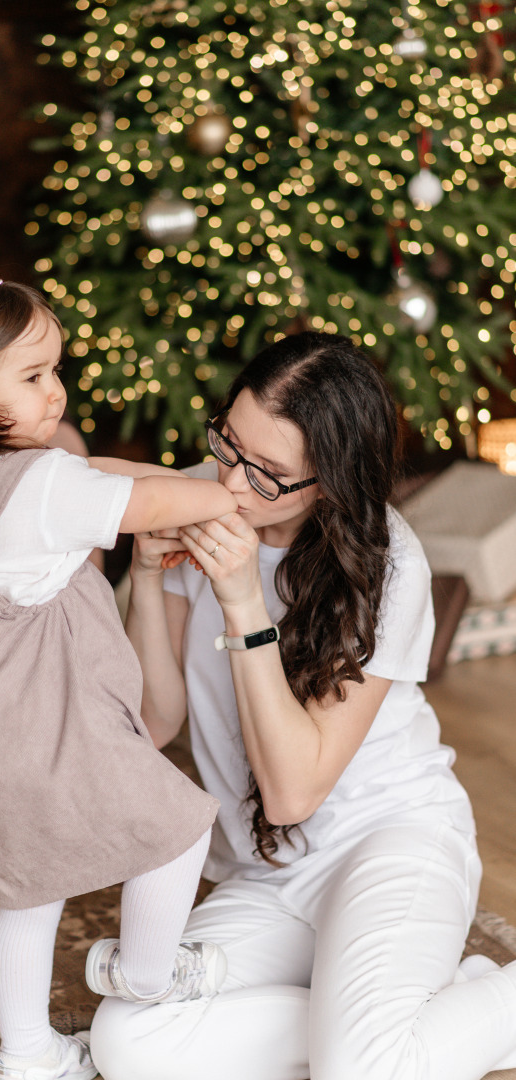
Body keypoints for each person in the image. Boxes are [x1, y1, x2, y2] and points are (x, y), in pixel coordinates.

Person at [90, 330, 516, 1080]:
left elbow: (291, 792)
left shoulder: (389, 563)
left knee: (359, 1072)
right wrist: (150, 579)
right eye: (228, 443)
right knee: (127, 1042)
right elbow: (154, 722)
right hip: (266, 872)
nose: (231, 485)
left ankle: (403, 1027)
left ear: (329, 482)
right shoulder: (205, 490)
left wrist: (243, 600)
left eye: (269, 475)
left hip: (392, 841)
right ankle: (397, 1021)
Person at [0, 277, 238, 1080]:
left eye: (56, 369)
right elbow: (144, 499)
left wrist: (145, 475)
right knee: (177, 830)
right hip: (50, 713)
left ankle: (29, 1056)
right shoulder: (43, 488)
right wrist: (230, 490)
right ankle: (144, 973)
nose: (58, 391)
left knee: (26, 886)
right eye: (33, 376)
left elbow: (91, 468)